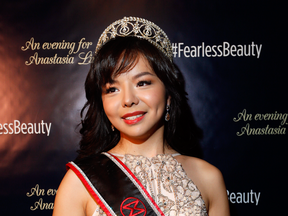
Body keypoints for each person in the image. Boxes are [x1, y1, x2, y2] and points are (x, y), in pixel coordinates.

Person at [53, 17, 230, 216]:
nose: (128, 100)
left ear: (169, 95)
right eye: (112, 89)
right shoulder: (79, 183)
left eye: (143, 83)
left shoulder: (208, 178)